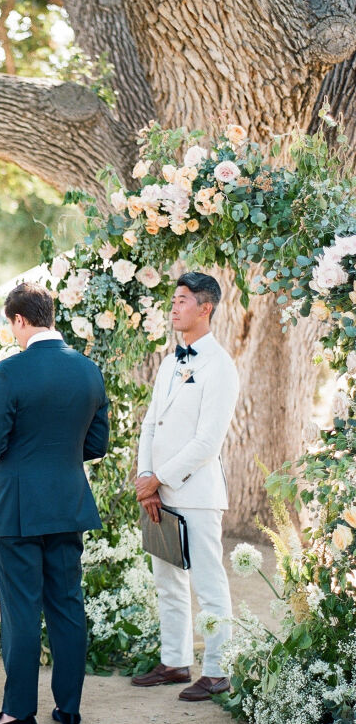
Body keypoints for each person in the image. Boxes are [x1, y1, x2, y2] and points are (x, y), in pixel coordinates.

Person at [0, 282, 109, 724]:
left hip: (19, 508)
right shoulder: (88, 370)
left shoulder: (10, 371)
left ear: (19, 321)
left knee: (21, 610)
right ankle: (69, 710)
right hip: (68, 502)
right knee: (67, 606)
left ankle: (18, 714)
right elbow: (97, 443)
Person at [130, 272, 239, 701]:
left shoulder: (220, 366)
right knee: (167, 580)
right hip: (158, 491)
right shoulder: (169, 361)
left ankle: (217, 670)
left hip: (196, 493)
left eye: (181, 300)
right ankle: (175, 660)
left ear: (205, 307)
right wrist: (145, 479)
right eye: (172, 300)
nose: (173, 307)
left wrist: (160, 477)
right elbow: (150, 424)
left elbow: (207, 443)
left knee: (208, 583)